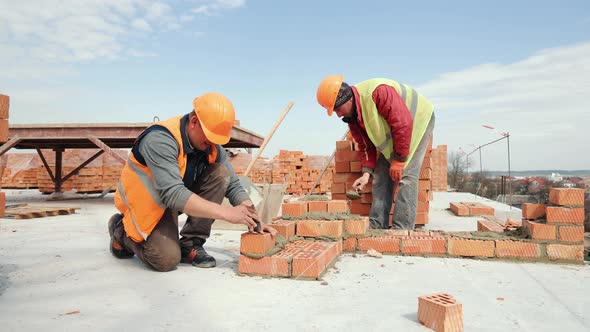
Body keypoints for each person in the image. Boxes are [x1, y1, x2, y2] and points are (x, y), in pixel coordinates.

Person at [108, 92, 276, 272]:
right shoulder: (160, 139)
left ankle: (191, 244)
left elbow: (233, 185)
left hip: (173, 200)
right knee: (166, 259)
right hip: (145, 204)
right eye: (210, 136)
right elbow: (173, 194)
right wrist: (228, 213)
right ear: (194, 121)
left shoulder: (209, 145)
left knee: (221, 172)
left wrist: (254, 218)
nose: (213, 143)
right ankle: (121, 231)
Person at [317, 76, 435, 230]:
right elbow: (365, 146)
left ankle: (402, 230)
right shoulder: (353, 117)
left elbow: (403, 123)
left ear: (348, 100)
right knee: (380, 175)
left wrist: (399, 161)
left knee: (406, 175)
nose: (338, 115)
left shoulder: (378, 92)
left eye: (338, 109)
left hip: (418, 121)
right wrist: (366, 174)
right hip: (397, 132)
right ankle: (377, 226)